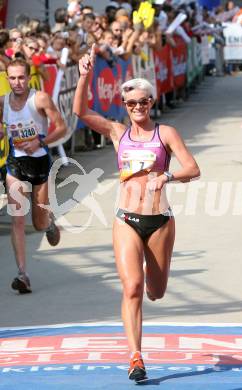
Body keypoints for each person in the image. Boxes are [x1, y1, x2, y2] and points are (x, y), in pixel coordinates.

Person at [73, 44, 200, 382]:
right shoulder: (118, 133)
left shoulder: (166, 134)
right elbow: (81, 112)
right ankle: (135, 357)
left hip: (159, 222)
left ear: (151, 102)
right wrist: (84, 75)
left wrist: (167, 175)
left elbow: (193, 168)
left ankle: (151, 284)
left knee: (154, 291)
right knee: (132, 287)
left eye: (143, 101)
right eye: (131, 103)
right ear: (125, 106)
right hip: (126, 218)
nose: (137, 107)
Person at [0, 58, 67, 294]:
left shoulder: (39, 99)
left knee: (38, 223)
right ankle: (22, 274)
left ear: (29, 77)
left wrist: (39, 141)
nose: (17, 82)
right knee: (17, 219)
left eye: (21, 77)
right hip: (15, 165)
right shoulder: (3, 102)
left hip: (39, 164)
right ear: (7, 79)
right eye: (12, 78)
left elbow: (62, 127)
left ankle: (48, 223)